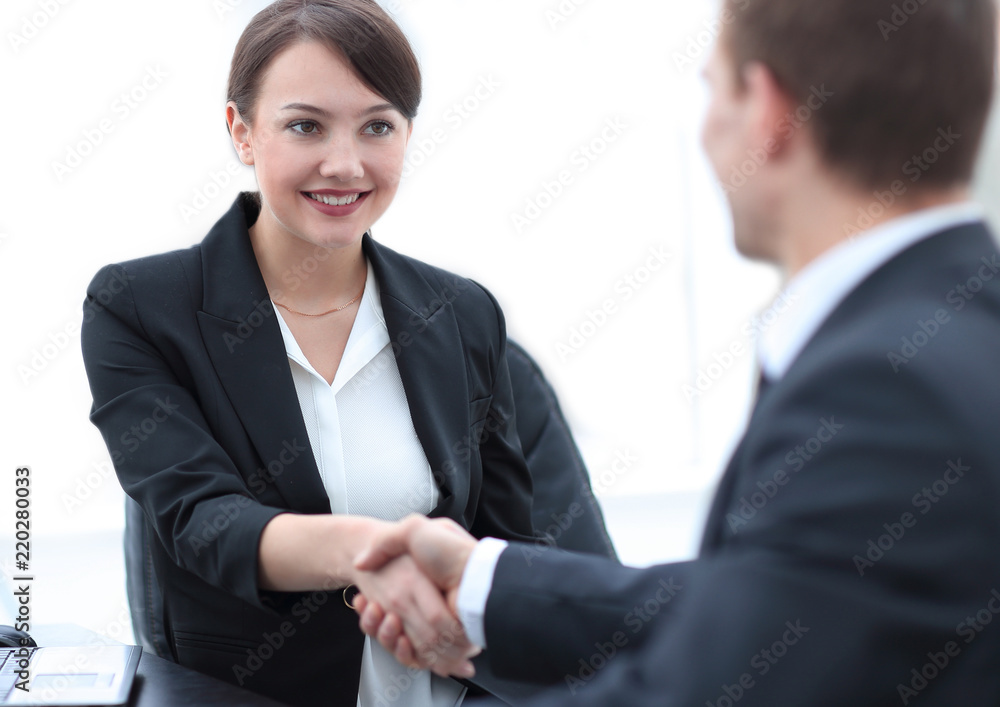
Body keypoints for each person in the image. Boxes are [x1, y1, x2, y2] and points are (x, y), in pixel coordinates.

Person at [352, 0, 1000, 703]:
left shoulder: (883, 389)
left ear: (767, 112)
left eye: (713, 88)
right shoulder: (953, 335)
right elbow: (775, 601)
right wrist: (486, 583)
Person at [79, 2, 538, 705]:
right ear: (242, 131)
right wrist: (371, 551)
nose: (345, 164)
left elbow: (511, 547)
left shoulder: (462, 312)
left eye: (377, 126)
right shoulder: (140, 307)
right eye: (305, 126)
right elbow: (202, 523)